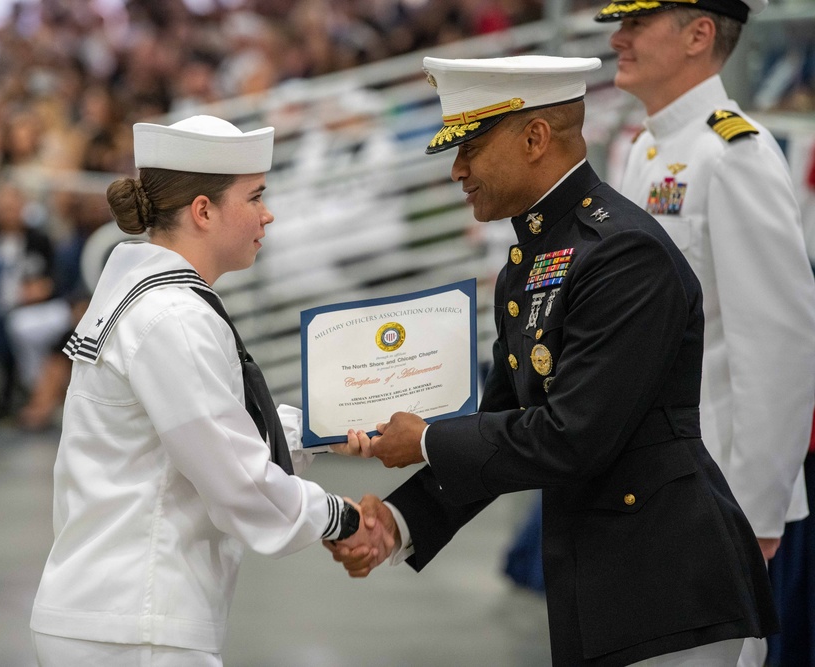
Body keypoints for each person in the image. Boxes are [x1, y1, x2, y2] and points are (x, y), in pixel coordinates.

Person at [325, 55, 779, 666]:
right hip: (608, 588)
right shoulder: (537, 260)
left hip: (672, 590)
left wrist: (430, 440)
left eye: (471, 149)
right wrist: (399, 521)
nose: (458, 169)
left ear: (535, 138)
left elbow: (572, 436)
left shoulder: (621, 254)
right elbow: (502, 420)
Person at [29, 115, 388, 666]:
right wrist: (340, 517)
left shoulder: (152, 294)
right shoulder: (172, 315)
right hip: (138, 621)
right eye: (255, 196)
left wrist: (323, 428)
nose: (267, 214)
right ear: (203, 210)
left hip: (115, 611)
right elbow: (237, 478)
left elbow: (206, 427)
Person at [595, 1, 815, 663]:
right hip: (643, 481)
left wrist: (754, 513)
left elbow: (777, 347)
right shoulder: (647, 149)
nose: (618, 37)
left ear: (699, 35)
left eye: (637, 23)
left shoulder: (734, 154)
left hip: (712, 493)